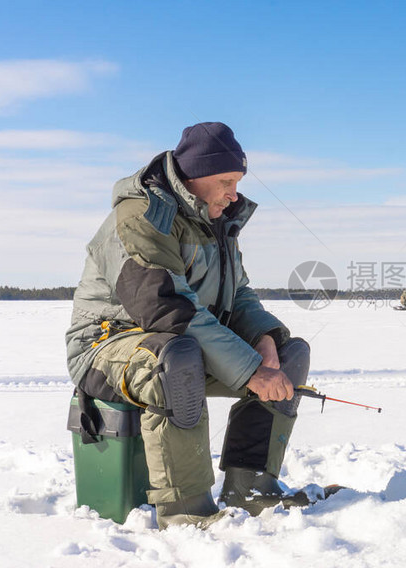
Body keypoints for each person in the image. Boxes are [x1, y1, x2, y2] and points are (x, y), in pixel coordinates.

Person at [66, 122, 310, 528]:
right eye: (226, 181)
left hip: (184, 341)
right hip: (105, 345)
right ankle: (186, 511)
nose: (235, 193)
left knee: (289, 355)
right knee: (175, 359)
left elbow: (241, 295)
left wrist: (265, 343)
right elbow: (168, 309)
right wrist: (250, 370)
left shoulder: (217, 219)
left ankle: (250, 488)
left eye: (238, 181)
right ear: (193, 177)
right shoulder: (142, 215)